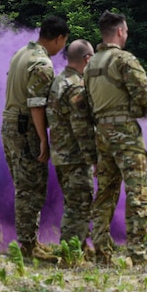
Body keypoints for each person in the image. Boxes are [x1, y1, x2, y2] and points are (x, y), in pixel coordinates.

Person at [85, 11, 147, 265]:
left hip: (101, 135)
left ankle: (102, 252)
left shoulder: (91, 65)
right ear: (119, 31)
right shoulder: (124, 60)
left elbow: (88, 104)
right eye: (126, 31)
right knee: (137, 192)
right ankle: (138, 253)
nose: (126, 35)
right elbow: (145, 94)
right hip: (125, 134)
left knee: (105, 194)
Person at [2, 15, 69, 261]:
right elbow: (37, 105)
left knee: (24, 187)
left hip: (9, 124)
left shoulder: (21, 53)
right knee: (30, 189)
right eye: (63, 42)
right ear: (59, 38)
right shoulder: (42, 64)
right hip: (25, 128)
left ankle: (31, 242)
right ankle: (28, 247)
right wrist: (43, 138)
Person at [48, 38, 97, 252]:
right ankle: (70, 252)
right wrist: (94, 159)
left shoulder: (59, 81)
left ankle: (82, 246)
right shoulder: (76, 86)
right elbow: (82, 127)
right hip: (75, 155)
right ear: (87, 59)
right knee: (79, 204)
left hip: (60, 153)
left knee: (74, 201)